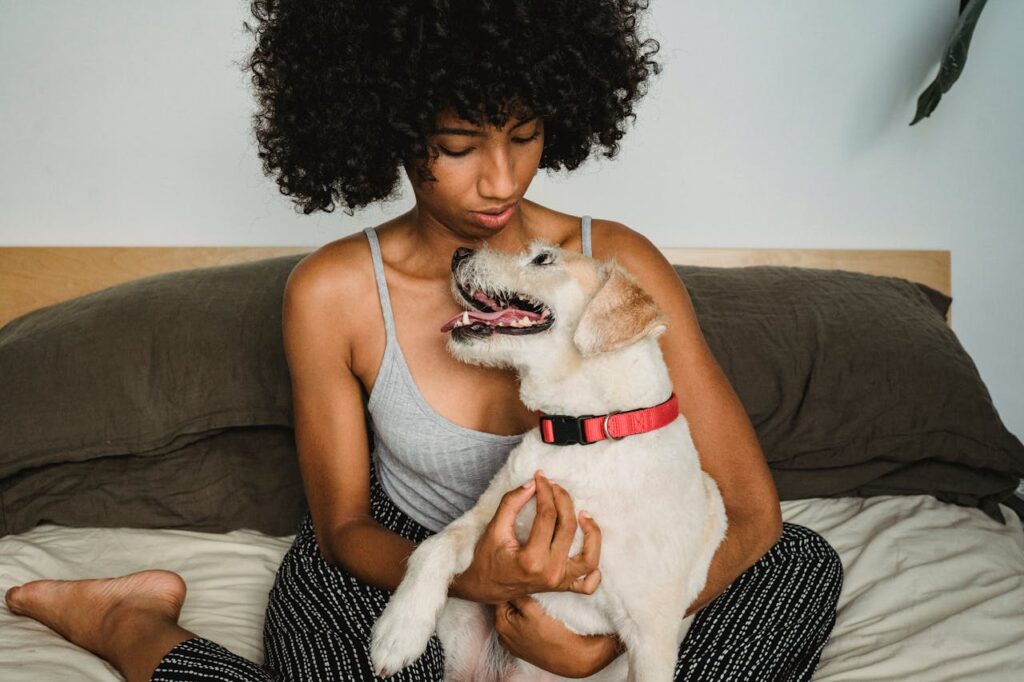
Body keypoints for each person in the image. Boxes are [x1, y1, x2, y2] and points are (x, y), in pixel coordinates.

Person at [4, 1, 843, 680]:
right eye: (457, 146)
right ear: (392, 132)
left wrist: (606, 641)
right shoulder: (332, 293)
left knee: (798, 565)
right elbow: (342, 527)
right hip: (402, 555)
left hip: (620, 583)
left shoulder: (611, 266)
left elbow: (748, 509)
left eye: (524, 136)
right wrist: (473, 577)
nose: (501, 180)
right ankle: (131, 621)